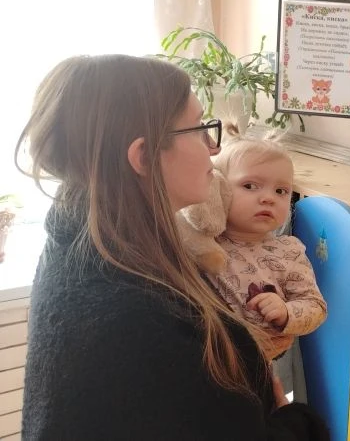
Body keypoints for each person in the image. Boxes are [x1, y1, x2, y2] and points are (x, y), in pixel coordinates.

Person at [16, 55, 328, 440]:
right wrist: (293, 423)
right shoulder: (138, 319)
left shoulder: (83, 243)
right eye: (200, 129)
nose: (212, 147)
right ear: (144, 156)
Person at [199, 125, 327, 387]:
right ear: (218, 189)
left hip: (255, 371)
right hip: (203, 363)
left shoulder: (288, 251)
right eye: (250, 186)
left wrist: (286, 312)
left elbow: (315, 307)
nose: (268, 198)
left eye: (281, 191)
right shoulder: (201, 242)